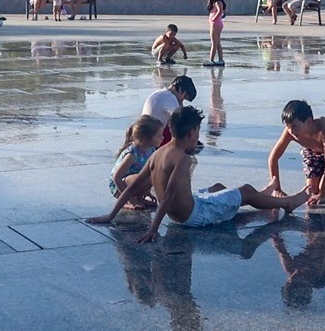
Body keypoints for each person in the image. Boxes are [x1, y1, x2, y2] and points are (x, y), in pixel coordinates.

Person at [91, 106, 307, 242]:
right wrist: (153, 230)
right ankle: (286, 203)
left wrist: (110, 216)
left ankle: (264, 199)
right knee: (246, 191)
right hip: (194, 216)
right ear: (192, 132)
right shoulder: (183, 159)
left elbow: (130, 188)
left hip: (185, 211)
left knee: (218, 188)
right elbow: (168, 196)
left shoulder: (158, 154)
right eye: (198, 131)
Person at [268, 99, 325, 206]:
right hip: (312, 150)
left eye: (295, 126)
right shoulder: (290, 132)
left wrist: (322, 194)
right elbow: (273, 158)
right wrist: (277, 188)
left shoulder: (323, 128)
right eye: (288, 126)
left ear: (309, 122)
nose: (291, 131)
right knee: (312, 189)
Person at [107, 114, 164, 202]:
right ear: (146, 138)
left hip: (132, 183)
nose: (162, 138)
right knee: (143, 177)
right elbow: (116, 177)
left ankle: (139, 197)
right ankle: (128, 199)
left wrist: (147, 191)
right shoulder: (132, 154)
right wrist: (129, 199)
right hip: (118, 187)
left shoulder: (151, 151)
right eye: (159, 136)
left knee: (154, 175)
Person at [142, 75, 197, 146]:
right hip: (152, 136)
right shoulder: (170, 98)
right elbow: (182, 119)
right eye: (184, 98)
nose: (182, 101)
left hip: (145, 130)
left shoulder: (161, 93)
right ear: (180, 90)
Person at [204, 0, 227, 67]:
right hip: (215, 23)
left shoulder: (217, 2)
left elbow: (220, 10)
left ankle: (211, 60)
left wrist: (214, 18)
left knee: (214, 42)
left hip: (215, 24)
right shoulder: (214, 2)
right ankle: (220, 60)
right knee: (217, 43)